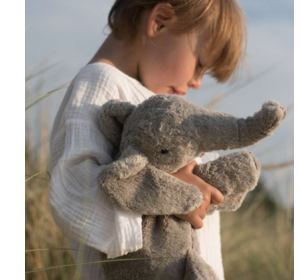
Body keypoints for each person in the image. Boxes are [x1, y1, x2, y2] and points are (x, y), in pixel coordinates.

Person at [48, 1, 247, 279]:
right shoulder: (101, 82)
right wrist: (173, 192)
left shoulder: (153, 105)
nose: (197, 82)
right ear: (160, 21)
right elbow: (73, 191)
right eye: (199, 64)